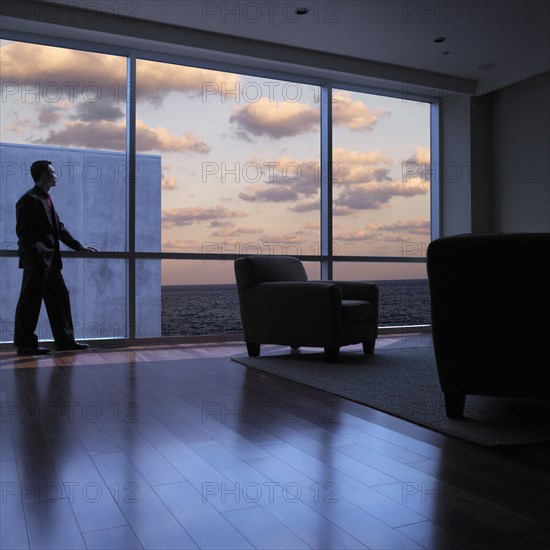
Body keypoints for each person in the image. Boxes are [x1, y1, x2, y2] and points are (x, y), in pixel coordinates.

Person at [13, 160, 98, 356]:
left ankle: (66, 342)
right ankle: (25, 346)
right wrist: (35, 258)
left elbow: (58, 228)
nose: (56, 175)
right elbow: (23, 235)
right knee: (29, 303)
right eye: (52, 172)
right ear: (43, 176)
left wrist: (79, 247)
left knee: (60, 299)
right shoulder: (28, 200)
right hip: (37, 262)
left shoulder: (46, 199)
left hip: (50, 262)